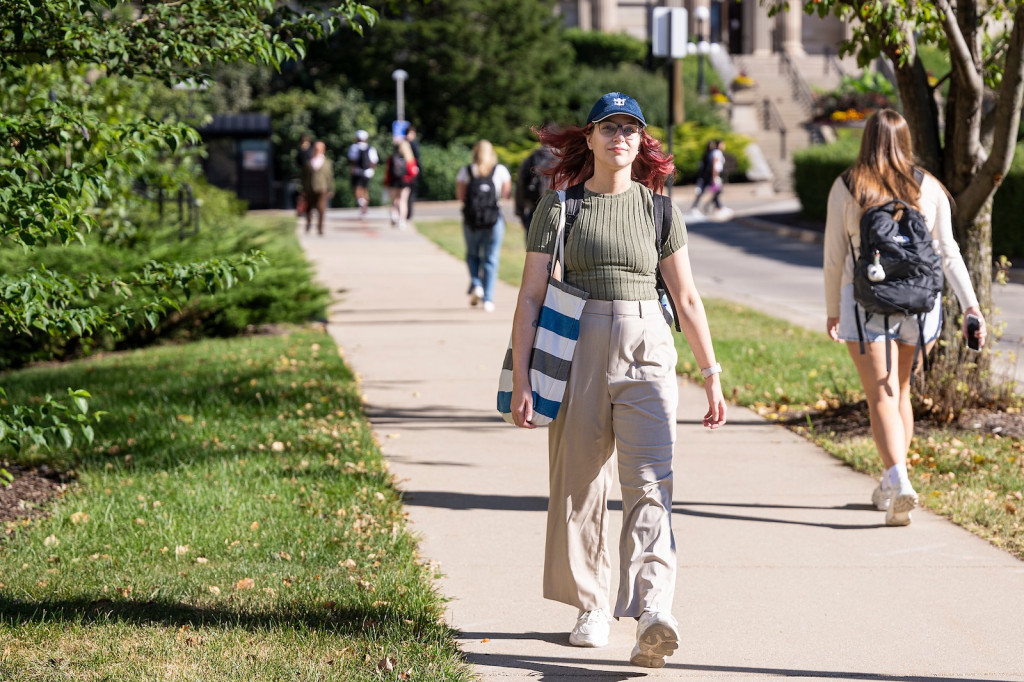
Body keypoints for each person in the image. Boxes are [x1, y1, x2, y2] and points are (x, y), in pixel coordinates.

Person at [508, 92, 727, 668]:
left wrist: (711, 374)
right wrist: (524, 376)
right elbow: (530, 297)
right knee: (579, 486)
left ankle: (654, 610)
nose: (620, 137)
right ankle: (591, 605)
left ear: (641, 141)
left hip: (648, 346)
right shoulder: (560, 208)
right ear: (590, 138)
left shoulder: (659, 210)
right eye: (609, 127)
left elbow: (686, 296)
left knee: (652, 481)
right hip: (576, 347)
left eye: (631, 128)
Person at [823, 108, 987, 526]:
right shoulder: (927, 186)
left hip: (863, 301)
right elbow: (947, 251)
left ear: (867, 140)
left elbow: (833, 258)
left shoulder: (848, 186)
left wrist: (831, 311)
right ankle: (892, 481)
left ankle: (898, 480)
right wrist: (970, 305)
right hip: (921, 303)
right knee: (901, 392)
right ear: (906, 140)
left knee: (880, 395)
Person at [455, 140, 512, 312]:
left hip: (471, 221)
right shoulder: (500, 170)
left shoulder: (466, 171)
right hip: (493, 220)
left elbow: (460, 196)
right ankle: (488, 299)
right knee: (491, 258)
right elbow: (506, 195)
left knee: (472, 255)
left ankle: (476, 283)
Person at [514, 132, 556, 235]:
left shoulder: (530, 159)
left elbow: (520, 186)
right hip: (557, 210)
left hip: (534, 210)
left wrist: (520, 213)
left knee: (532, 249)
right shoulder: (562, 159)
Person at [384, 139, 419, 230]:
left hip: (394, 181)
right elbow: (413, 172)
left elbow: (387, 172)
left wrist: (386, 183)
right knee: (403, 201)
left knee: (395, 200)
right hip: (405, 181)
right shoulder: (409, 158)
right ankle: (402, 220)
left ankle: (394, 214)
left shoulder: (392, 158)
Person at [303, 140, 334, 235]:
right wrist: (303, 189)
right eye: (315, 148)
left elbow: (330, 176)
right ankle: (308, 224)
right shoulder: (308, 162)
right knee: (308, 208)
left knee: (321, 209)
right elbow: (304, 176)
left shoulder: (327, 162)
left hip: (322, 188)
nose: (317, 150)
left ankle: (320, 228)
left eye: (319, 148)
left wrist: (331, 188)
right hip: (310, 188)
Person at [347, 130, 378, 217]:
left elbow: (352, 161)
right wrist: (372, 170)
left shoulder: (354, 147)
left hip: (357, 171)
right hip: (368, 172)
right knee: (365, 190)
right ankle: (365, 208)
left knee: (357, 189)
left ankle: (361, 202)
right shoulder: (370, 148)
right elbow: (374, 161)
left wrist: (351, 170)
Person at [405, 125, 422, 220]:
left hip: (401, 173)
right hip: (411, 172)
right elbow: (418, 159)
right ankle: (408, 214)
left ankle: (403, 213)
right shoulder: (414, 144)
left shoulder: (400, 143)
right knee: (410, 194)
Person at [294, 134, 312, 217]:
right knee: (303, 193)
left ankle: (307, 209)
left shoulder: (310, 150)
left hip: (311, 174)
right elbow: (298, 161)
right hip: (304, 175)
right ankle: (302, 210)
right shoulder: (300, 150)